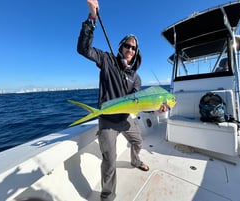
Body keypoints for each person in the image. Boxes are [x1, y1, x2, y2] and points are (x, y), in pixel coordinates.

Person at [77, 1, 168, 200]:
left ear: (136, 53)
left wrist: (156, 109)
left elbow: (139, 103)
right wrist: (92, 18)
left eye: (133, 48)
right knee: (109, 162)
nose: (129, 49)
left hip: (126, 120)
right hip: (108, 121)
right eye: (126, 45)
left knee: (138, 141)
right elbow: (84, 49)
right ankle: (107, 197)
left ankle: (135, 161)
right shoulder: (107, 60)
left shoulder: (136, 78)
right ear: (121, 47)